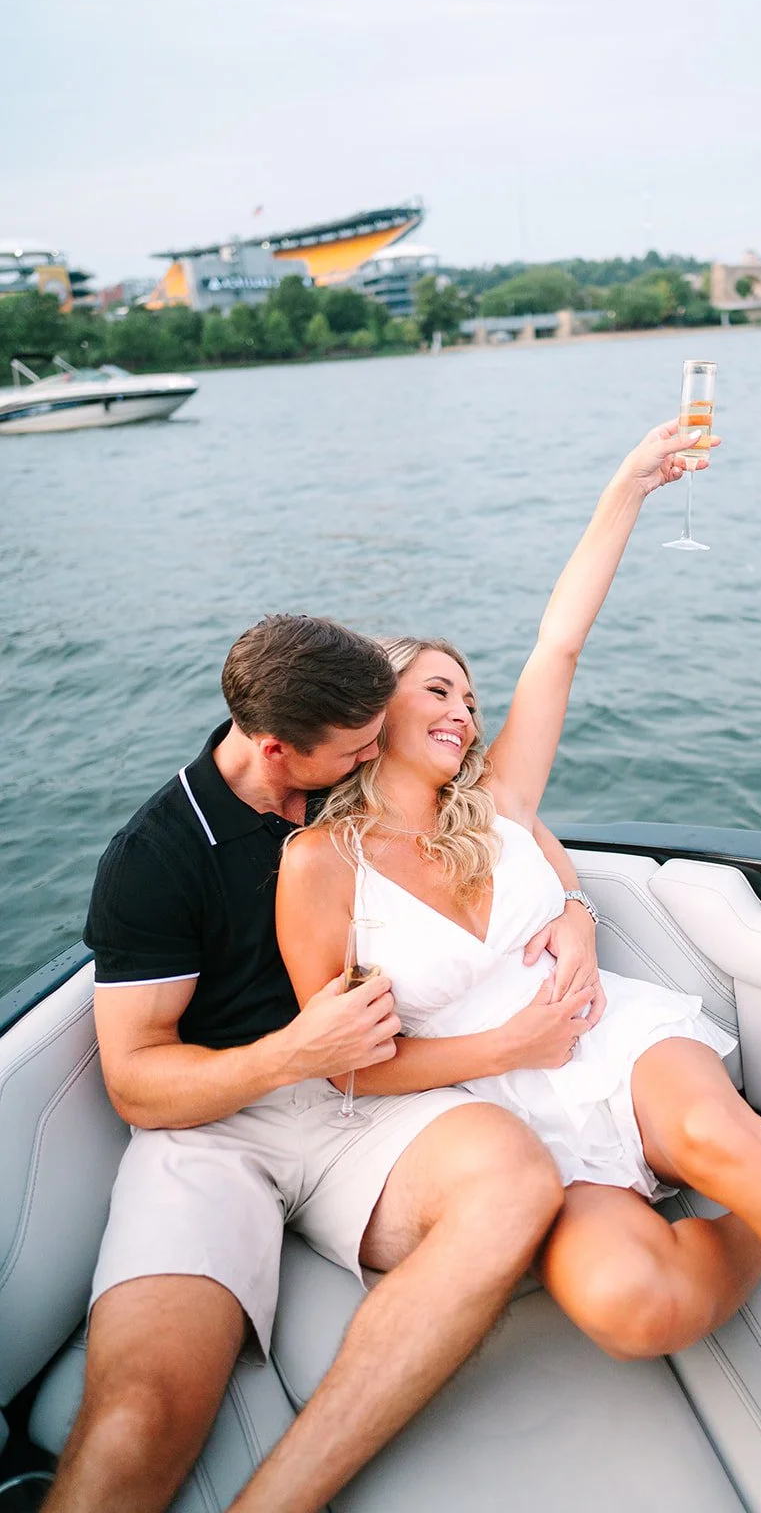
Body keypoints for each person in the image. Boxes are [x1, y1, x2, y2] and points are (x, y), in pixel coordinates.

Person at [278, 422, 761, 1511]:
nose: (463, 710)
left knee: (715, 1134)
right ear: (373, 711)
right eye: (436, 691)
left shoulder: (501, 803)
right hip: (505, 1112)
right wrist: (506, 1044)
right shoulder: (321, 867)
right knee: (632, 1307)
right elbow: (347, 1069)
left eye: (468, 693)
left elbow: (558, 641)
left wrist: (627, 488)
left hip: (612, 1038)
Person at [48, 613, 606, 1513]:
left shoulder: (353, 766)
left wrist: (574, 904)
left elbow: (511, 807)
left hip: (370, 1107)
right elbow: (135, 1082)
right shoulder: (156, 861)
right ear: (275, 749)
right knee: (137, 1417)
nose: (370, 757)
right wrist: (291, 1053)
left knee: (516, 1185)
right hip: (214, 1125)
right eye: (354, 750)